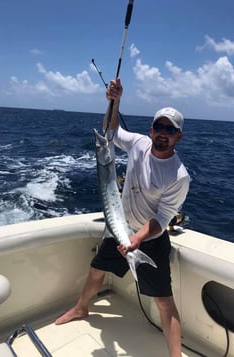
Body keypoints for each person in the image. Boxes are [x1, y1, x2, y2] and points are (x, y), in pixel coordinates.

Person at [55, 78, 190, 357]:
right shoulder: (139, 143)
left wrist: (136, 240)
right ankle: (82, 307)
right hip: (121, 229)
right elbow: (112, 131)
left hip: (149, 239)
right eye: (160, 127)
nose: (163, 133)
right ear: (151, 129)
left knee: (164, 302)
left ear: (179, 136)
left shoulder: (179, 176)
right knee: (96, 269)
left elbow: (163, 219)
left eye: (171, 129)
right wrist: (114, 101)